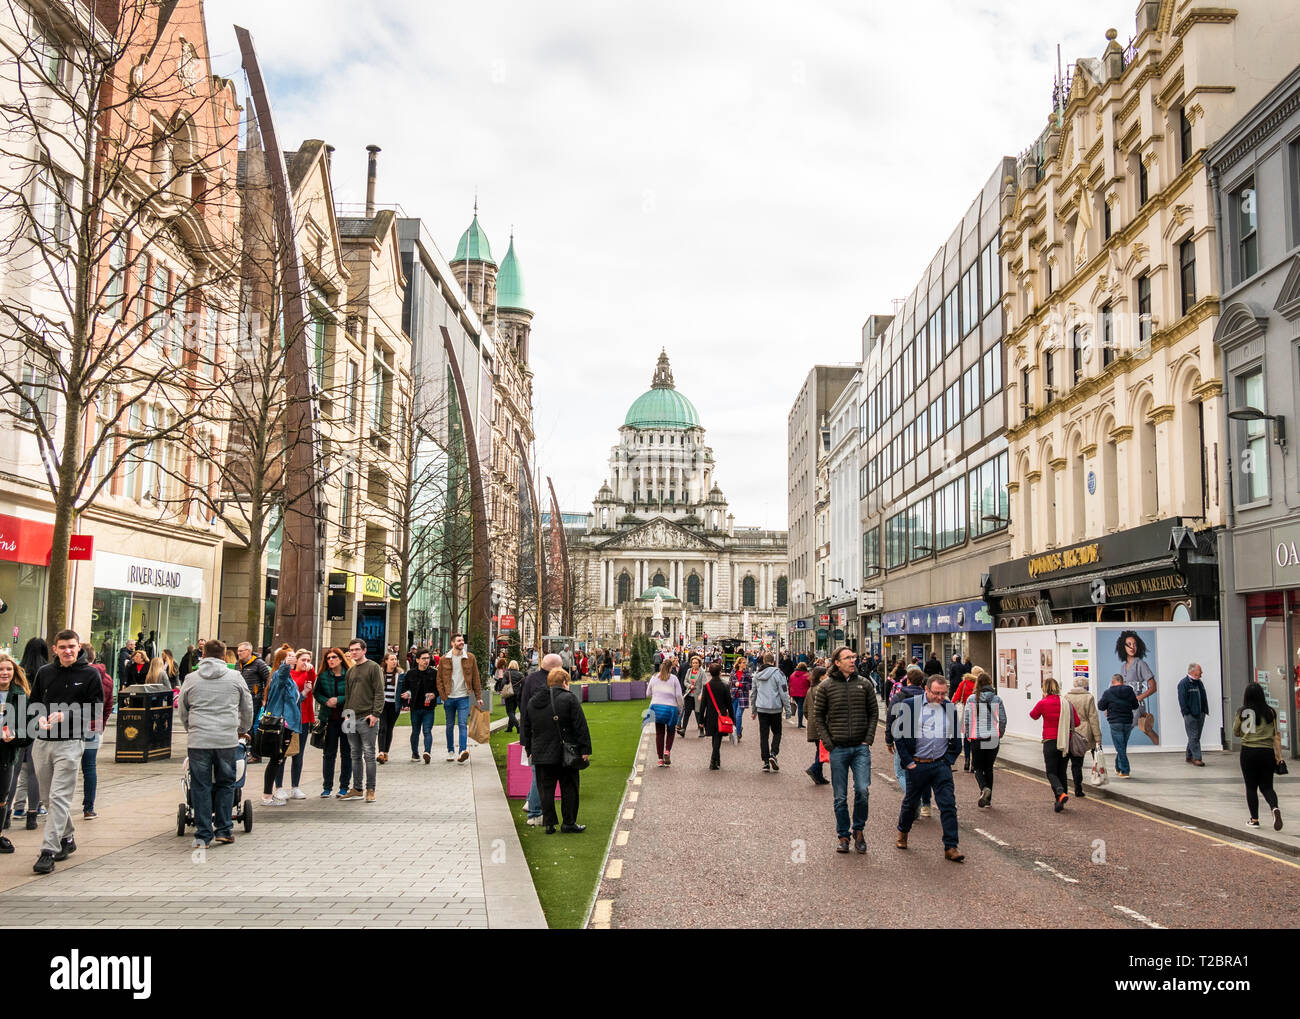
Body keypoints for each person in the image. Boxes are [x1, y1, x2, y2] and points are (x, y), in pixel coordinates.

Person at [28, 630, 105, 875]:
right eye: (63, 647)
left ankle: (48, 851)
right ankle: (68, 837)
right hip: (42, 743)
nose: (68, 651)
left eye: (72, 646)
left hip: (71, 743)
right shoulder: (45, 673)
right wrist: (39, 719)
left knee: (59, 797)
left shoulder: (90, 674)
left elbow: (96, 710)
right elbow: (34, 705)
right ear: (55, 648)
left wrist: (67, 714)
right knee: (47, 798)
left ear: (79, 646)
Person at [179, 640, 253, 846]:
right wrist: (243, 729)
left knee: (200, 785)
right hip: (225, 739)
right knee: (226, 783)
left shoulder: (191, 678)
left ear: (203, 653)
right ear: (224, 655)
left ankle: (203, 833)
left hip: (198, 740)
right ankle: (223, 829)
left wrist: (190, 728)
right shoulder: (235, 677)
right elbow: (247, 706)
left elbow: (182, 709)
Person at [811, 646, 878, 854]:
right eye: (847, 658)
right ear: (837, 662)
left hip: (860, 748)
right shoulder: (826, 687)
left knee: (862, 790)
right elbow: (818, 717)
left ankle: (858, 830)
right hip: (838, 748)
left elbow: (874, 713)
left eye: (853, 657)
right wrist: (829, 743)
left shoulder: (864, 684)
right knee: (840, 796)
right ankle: (843, 835)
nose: (852, 660)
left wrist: (868, 739)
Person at [893, 675, 963, 861]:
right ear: (926, 690)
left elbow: (956, 738)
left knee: (948, 805)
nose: (940, 697)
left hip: (940, 765)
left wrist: (949, 760)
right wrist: (909, 763)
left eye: (943, 693)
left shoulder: (949, 707)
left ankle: (951, 846)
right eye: (936, 693)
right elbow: (898, 737)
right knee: (911, 803)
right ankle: (903, 831)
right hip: (917, 764)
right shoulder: (910, 705)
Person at [520, 668, 591, 834]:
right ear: (565, 682)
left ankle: (549, 823)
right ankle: (569, 822)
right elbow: (580, 726)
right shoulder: (569, 699)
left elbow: (527, 727)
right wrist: (585, 748)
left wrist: (529, 749)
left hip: (541, 752)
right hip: (566, 753)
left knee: (546, 790)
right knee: (569, 788)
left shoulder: (534, 701)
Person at [518, 653, 563, 825]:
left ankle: (531, 802)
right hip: (539, 736)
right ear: (553, 667)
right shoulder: (546, 684)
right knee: (540, 774)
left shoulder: (530, 679)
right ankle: (535, 813)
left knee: (537, 772)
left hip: (529, 733)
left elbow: (522, 704)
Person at [1233, 682, 1284, 830]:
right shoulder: (1270, 712)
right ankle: (1274, 808)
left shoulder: (1242, 711)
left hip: (1248, 751)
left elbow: (1236, 732)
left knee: (1251, 787)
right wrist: (1279, 756)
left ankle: (1254, 819)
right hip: (1267, 752)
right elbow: (1276, 735)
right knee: (1267, 786)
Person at [341, 638, 384, 801]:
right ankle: (357, 788)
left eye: (357, 649)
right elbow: (348, 694)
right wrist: (346, 714)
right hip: (351, 717)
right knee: (354, 754)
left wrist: (375, 714)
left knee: (369, 754)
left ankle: (370, 789)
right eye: (351, 650)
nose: (354, 652)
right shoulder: (350, 671)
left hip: (367, 717)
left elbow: (379, 692)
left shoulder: (373, 667)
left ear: (364, 650)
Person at [885, 666, 931, 817]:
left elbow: (891, 718)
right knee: (923, 773)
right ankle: (927, 805)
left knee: (900, 772)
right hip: (925, 739)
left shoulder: (899, 696)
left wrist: (889, 739)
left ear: (908, 681)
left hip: (904, 739)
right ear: (922, 682)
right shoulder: (928, 696)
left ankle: (913, 799)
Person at [1029, 676, 1080, 812]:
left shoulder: (1043, 703)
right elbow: (1077, 721)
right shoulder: (1066, 703)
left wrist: (1042, 700)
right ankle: (1060, 801)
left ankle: (1059, 791)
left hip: (1050, 741)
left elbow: (1033, 715)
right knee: (1062, 771)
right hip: (1065, 741)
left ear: (1044, 689)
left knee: (1051, 772)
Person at [0, 652, 33, 853]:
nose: (4, 673)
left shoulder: (20, 696)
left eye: (8, 669)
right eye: (1, 669)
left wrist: (16, 736)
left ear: (14, 672)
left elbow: (28, 730)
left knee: (2, 795)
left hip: (5, 753)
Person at [260, 648, 302, 806]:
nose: (293, 659)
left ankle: (268, 795)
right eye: (289, 657)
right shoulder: (279, 675)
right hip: (280, 725)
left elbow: (293, 700)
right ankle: (267, 796)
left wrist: (303, 692)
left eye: (293, 656)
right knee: (276, 759)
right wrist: (285, 664)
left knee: (277, 760)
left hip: (287, 724)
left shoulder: (289, 679)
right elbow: (282, 674)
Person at [435, 633, 483, 764]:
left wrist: (478, 696)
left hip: (463, 697)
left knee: (462, 724)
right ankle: (450, 751)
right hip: (449, 697)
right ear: (452, 643)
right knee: (449, 725)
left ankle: (462, 751)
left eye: (462, 640)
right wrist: (443, 696)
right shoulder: (444, 659)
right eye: (459, 640)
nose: (462, 642)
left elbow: (476, 678)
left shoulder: (470, 658)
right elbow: (439, 680)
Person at [78, 644, 113, 819]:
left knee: (66, 767)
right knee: (89, 767)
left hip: (73, 726)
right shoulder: (106, 678)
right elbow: (108, 706)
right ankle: (88, 807)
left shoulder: (77, 675)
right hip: (93, 727)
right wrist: (101, 725)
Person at [961, 671, 1006, 808]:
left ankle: (983, 788)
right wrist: (1000, 734)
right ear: (990, 683)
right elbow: (1003, 720)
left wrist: (968, 735)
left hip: (977, 737)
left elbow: (967, 720)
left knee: (978, 768)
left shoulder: (971, 699)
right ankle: (988, 799)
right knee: (989, 768)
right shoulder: (997, 699)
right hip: (992, 737)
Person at [312, 647, 353, 797]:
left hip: (347, 718)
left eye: (334, 657)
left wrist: (339, 700)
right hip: (329, 719)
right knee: (329, 754)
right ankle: (327, 787)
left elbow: (354, 693)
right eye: (328, 658)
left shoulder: (349, 674)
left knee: (347, 753)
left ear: (341, 659)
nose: (331, 660)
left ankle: (344, 786)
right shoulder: (323, 676)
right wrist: (326, 701)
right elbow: (317, 693)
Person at [751, 652, 791, 773]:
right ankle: (773, 753)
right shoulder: (779, 674)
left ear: (763, 660)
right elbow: (784, 692)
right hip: (775, 708)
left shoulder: (757, 675)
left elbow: (753, 694)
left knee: (764, 735)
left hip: (762, 708)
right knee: (777, 732)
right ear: (773, 661)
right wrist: (788, 709)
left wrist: (754, 710)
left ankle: (765, 762)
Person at [1063, 676, 1102, 798]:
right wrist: (1097, 737)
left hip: (1069, 731)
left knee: (1066, 762)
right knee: (1077, 763)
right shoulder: (1088, 697)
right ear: (1085, 686)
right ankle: (1078, 789)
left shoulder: (1066, 697)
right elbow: (1093, 718)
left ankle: (1063, 789)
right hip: (1083, 732)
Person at [1117, 630, 1158, 745]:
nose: (1132, 647)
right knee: (1147, 730)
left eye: (1134, 644)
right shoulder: (1123, 667)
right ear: (1123, 647)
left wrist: (1138, 698)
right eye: (1129, 644)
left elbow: (1153, 687)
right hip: (1126, 705)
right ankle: (1161, 745)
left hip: (1136, 706)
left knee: (1125, 729)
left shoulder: (1141, 664)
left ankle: (1120, 756)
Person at [1097, 674, 1139, 778]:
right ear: (1123, 681)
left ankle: (1125, 770)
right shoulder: (1129, 691)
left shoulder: (1108, 692)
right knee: (1122, 746)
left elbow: (1101, 706)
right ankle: (1118, 767)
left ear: (1113, 681)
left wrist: (1108, 705)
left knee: (1120, 746)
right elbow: (1135, 705)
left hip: (1115, 722)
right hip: (1128, 722)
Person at [286, 650, 315, 798]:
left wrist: (310, 669)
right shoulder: (289, 675)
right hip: (288, 719)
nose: (306, 662)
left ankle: (295, 786)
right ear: (296, 661)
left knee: (299, 753)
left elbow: (312, 679)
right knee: (282, 753)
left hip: (303, 719)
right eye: (303, 659)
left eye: (308, 659)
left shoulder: (308, 674)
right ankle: (278, 786)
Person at [236, 642, 271, 762]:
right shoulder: (238, 664)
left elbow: (268, 680)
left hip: (254, 699)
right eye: (238, 650)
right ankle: (245, 751)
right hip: (240, 700)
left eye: (241, 651)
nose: (238, 653)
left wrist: (264, 697)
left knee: (251, 726)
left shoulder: (259, 664)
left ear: (249, 651)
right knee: (241, 726)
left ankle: (256, 755)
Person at [403, 649, 439, 761]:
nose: (426, 661)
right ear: (417, 660)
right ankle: (415, 753)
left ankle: (427, 752)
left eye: (428, 658)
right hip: (415, 707)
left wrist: (434, 694)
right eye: (423, 658)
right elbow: (405, 688)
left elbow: (438, 688)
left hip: (429, 708)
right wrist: (406, 698)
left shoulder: (434, 673)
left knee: (427, 730)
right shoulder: (410, 674)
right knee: (415, 731)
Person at [648, 659, 684, 767]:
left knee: (659, 733)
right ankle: (667, 751)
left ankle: (659, 759)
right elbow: (678, 695)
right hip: (671, 708)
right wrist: (680, 707)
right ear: (671, 668)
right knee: (671, 731)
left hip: (656, 707)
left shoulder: (654, 677)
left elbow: (648, 693)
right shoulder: (674, 679)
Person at [699, 661, 733, 771]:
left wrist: (701, 720)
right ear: (719, 672)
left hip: (710, 715)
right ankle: (713, 760)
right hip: (721, 715)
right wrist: (732, 718)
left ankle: (717, 760)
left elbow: (703, 704)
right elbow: (729, 703)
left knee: (715, 737)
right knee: (717, 738)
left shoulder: (707, 686)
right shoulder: (725, 685)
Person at [803, 665, 830, 785]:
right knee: (825, 750)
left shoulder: (810, 689)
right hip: (822, 724)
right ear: (821, 677)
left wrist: (810, 720)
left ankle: (818, 775)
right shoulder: (822, 689)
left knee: (819, 750)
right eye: (826, 675)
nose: (828, 677)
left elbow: (804, 709)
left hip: (813, 724)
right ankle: (814, 768)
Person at [1178, 663, 1209, 766]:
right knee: (1194, 736)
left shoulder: (1199, 683)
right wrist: (1186, 712)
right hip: (1190, 715)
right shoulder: (1184, 683)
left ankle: (1189, 756)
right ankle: (1197, 758)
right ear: (1193, 671)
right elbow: (1182, 699)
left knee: (1194, 736)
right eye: (1200, 671)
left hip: (1200, 713)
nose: (1201, 673)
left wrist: (1204, 710)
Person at [376, 651, 402, 764]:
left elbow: (405, 688)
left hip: (394, 705)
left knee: (390, 728)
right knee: (383, 727)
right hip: (383, 704)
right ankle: (381, 752)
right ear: (386, 661)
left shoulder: (400, 674)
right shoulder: (380, 673)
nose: (394, 662)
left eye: (395, 659)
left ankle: (386, 752)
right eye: (391, 659)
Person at [951, 669, 977, 771]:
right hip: (977, 714)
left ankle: (967, 760)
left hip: (965, 712)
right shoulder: (978, 685)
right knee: (975, 738)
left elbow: (956, 697)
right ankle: (974, 763)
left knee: (967, 737)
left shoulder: (964, 683)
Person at [677, 655, 704, 738]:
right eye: (693, 663)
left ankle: (701, 730)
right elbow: (685, 681)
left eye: (696, 663)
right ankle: (683, 730)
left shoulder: (702, 672)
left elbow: (705, 684)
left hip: (697, 696)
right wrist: (689, 686)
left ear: (699, 664)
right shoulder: (689, 671)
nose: (694, 664)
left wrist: (701, 694)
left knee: (698, 713)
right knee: (686, 713)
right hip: (689, 695)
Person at [502, 659, 524, 734]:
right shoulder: (520, 674)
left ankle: (518, 726)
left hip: (509, 694)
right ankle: (509, 728)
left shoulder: (506, 673)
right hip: (518, 694)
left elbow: (503, 683)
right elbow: (524, 684)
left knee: (510, 712)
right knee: (513, 711)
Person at [729, 661, 748, 742]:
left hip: (742, 697)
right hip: (733, 697)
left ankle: (738, 733)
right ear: (739, 664)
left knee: (738, 715)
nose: (745, 664)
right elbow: (729, 683)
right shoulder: (733, 672)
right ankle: (738, 728)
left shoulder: (747, 673)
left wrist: (740, 685)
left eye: (745, 663)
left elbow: (749, 685)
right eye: (743, 662)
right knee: (733, 716)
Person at [788, 660, 810, 729]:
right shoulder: (807, 675)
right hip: (803, 693)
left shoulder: (793, 674)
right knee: (801, 707)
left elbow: (790, 684)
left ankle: (800, 723)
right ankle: (800, 723)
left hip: (794, 693)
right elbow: (810, 684)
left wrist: (790, 693)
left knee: (800, 706)